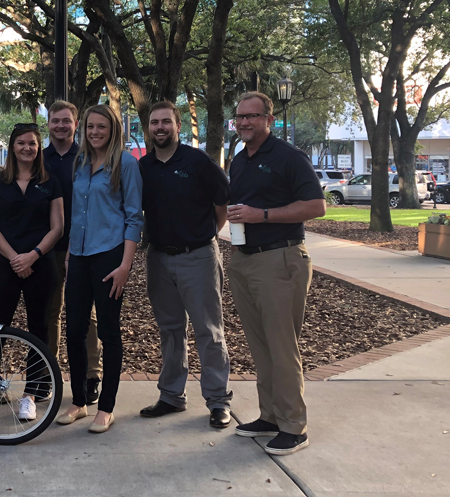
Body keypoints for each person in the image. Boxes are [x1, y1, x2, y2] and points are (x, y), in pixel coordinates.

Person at [226, 91, 326, 456]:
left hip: (280, 258)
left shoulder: (289, 157)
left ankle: (293, 426)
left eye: (252, 116)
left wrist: (261, 215)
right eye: (240, 117)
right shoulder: (239, 161)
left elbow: (317, 206)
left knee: (282, 346)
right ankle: (269, 416)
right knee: (260, 344)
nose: (245, 123)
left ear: (269, 119)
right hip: (245, 260)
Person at [137, 101, 233, 430]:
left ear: (178, 125)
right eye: (154, 123)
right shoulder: (144, 167)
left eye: (166, 121)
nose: (160, 127)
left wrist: (204, 237)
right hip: (159, 258)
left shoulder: (198, 161)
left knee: (209, 330)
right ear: (148, 128)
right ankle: (172, 396)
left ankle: (219, 401)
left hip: (198, 256)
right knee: (170, 331)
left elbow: (222, 204)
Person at [55, 105, 142, 433]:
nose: (94, 132)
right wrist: (68, 256)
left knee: (108, 330)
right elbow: (77, 212)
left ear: (112, 129)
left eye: (101, 127)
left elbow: (134, 217)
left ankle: (106, 408)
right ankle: (79, 402)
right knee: (74, 331)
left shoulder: (127, 164)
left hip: (110, 257)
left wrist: (125, 266)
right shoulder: (80, 162)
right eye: (90, 127)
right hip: (78, 255)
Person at [0, 123, 64, 421]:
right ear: (12, 146)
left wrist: (33, 256)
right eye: (22, 143)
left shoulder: (51, 181)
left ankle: (31, 395)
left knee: (40, 329)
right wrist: (15, 258)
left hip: (41, 264)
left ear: (39, 147)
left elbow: (58, 227)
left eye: (33, 144)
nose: (27, 148)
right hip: (4, 263)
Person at [43, 100, 104, 405]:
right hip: (50, 248)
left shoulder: (89, 157)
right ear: (48, 124)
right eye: (56, 121)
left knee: (87, 315)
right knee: (51, 313)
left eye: (67, 121)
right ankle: (48, 373)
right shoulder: (40, 159)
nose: (61, 126)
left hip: (85, 247)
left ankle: (92, 375)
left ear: (75, 124)